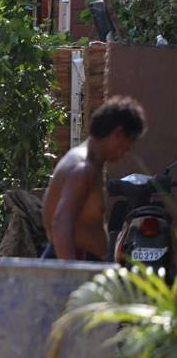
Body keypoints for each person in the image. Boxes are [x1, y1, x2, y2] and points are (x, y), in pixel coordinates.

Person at [42, 95, 146, 261]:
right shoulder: (83, 170)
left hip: (81, 262)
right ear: (118, 133)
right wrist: (71, 276)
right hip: (73, 263)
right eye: (128, 144)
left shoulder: (88, 163)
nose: (126, 152)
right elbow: (61, 223)